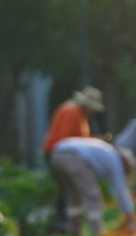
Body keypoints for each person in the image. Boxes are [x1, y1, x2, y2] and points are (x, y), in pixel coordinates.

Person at [52, 135, 136, 235]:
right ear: (125, 163)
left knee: (73, 196)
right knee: (92, 196)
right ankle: (97, 233)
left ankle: (73, 232)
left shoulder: (107, 151)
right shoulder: (116, 160)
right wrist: (130, 216)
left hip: (57, 154)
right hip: (73, 157)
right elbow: (120, 191)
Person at [44, 86, 104, 223]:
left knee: (68, 191)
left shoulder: (78, 114)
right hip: (58, 153)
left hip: (63, 154)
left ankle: (67, 224)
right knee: (66, 191)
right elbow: (66, 140)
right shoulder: (71, 112)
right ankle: (61, 224)